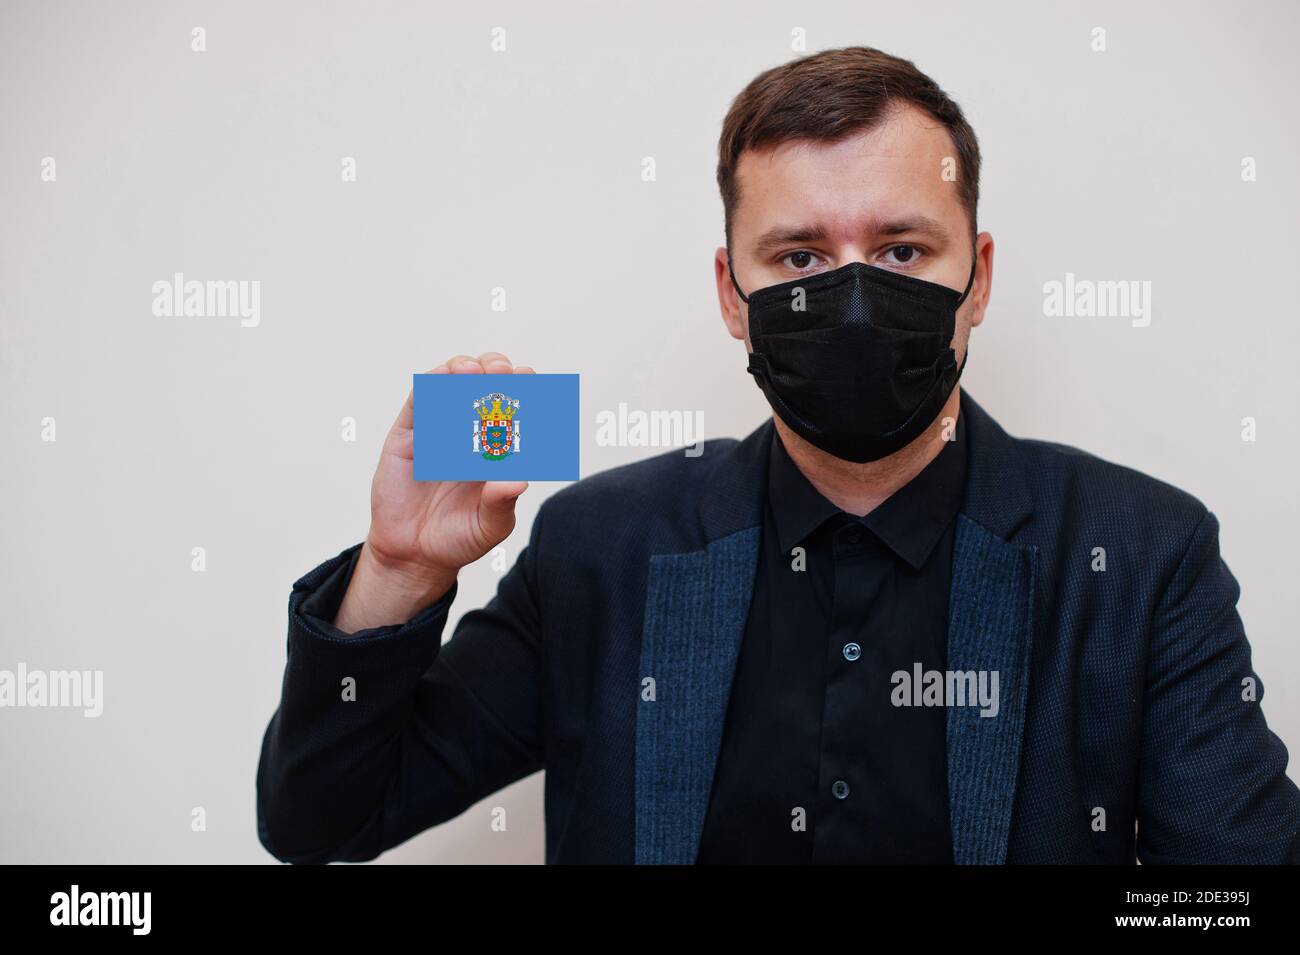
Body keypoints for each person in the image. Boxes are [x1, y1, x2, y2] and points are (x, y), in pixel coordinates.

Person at [256, 46, 1299, 864]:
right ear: (730, 293)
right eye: (799, 256)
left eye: (900, 251)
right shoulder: (600, 549)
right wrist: (396, 575)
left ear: (977, 279)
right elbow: (321, 819)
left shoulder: (1138, 556)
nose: (850, 302)